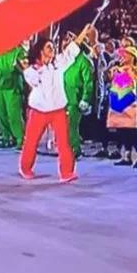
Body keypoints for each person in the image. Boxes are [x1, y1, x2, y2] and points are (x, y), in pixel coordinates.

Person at [19, 24, 94, 182]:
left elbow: (72, 49)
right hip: (38, 110)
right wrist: (33, 68)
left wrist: (83, 32)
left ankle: (66, 172)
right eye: (48, 47)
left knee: (64, 141)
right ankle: (25, 168)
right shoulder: (33, 69)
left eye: (52, 47)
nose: (52, 49)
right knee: (31, 140)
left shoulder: (59, 63)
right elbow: (33, 81)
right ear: (40, 50)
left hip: (58, 109)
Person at [107, 46, 137, 169]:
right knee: (123, 129)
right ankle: (126, 155)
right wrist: (114, 75)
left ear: (132, 56)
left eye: (125, 55)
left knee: (134, 131)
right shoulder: (119, 69)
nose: (122, 57)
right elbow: (117, 85)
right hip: (122, 105)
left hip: (135, 105)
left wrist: (132, 73)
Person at [62, 32, 94, 159]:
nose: (66, 44)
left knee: (71, 126)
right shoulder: (64, 60)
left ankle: (75, 150)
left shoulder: (84, 61)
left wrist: (85, 99)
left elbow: (88, 82)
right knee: (64, 126)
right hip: (63, 98)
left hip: (76, 99)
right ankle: (66, 148)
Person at [0, 45, 27, 148]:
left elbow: (25, 68)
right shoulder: (0, 51)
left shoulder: (19, 51)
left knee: (14, 115)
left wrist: (17, 65)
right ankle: (6, 137)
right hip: (0, 86)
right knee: (1, 112)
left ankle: (20, 139)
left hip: (13, 86)